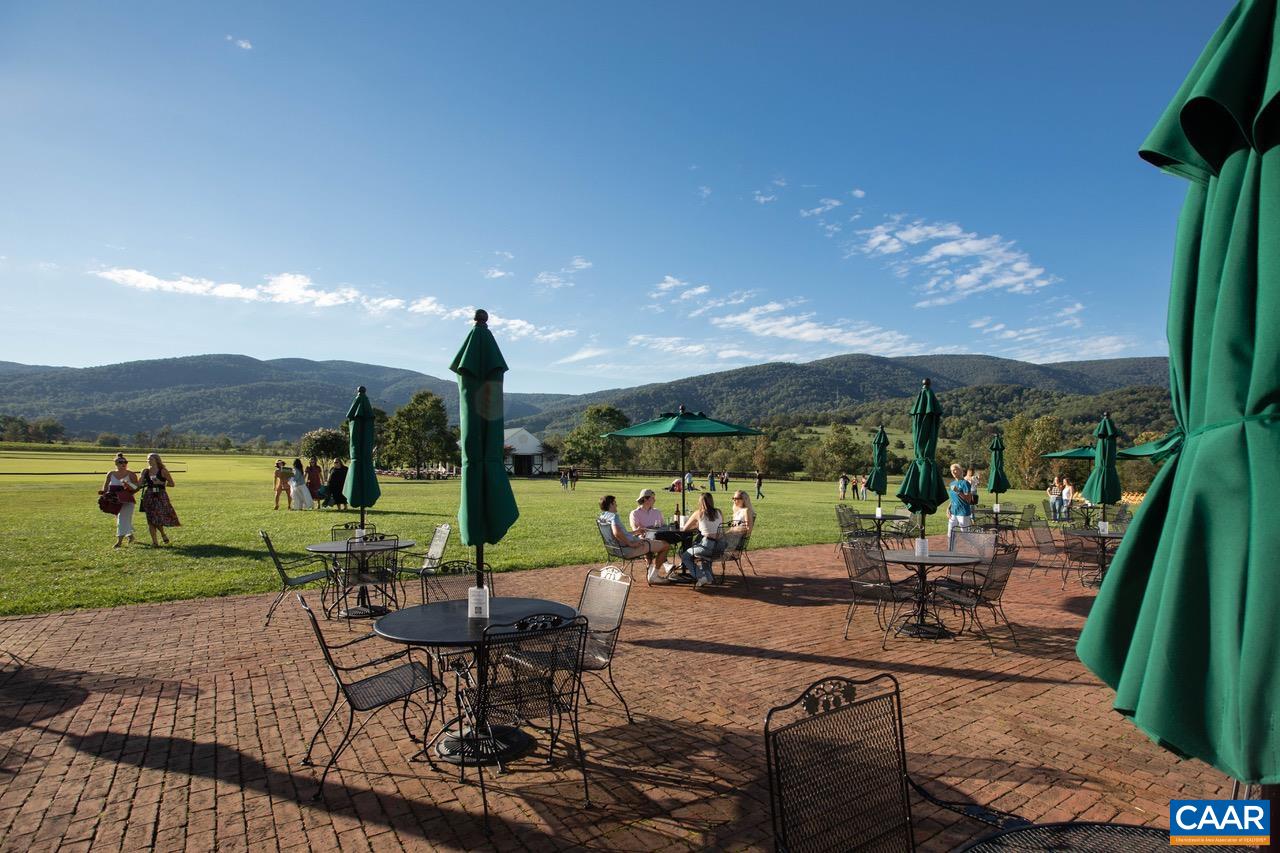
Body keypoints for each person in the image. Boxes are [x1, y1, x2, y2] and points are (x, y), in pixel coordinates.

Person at [598, 494, 661, 577]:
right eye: (615, 502)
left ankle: (651, 569)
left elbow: (620, 534)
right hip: (626, 550)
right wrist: (630, 544)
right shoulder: (614, 517)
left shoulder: (602, 516)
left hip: (614, 549)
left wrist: (636, 532)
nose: (616, 504)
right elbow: (617, 533)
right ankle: (654, 576)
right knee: (664, 545)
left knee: (647, 542)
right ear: (611, 504)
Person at [679, 492, 724, 588]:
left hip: (707, 545)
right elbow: (717, 527)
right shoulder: (719, 512)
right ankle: (709, 578)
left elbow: (685, 528)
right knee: (705, 557)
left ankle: (700, 576)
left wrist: (696, 525)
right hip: (720, 546)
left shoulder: (698, 513)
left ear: (700, 502)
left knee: (685, 556)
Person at [628, 488, 673, 582]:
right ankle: (660, 568)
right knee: (652, 542)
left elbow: (663, 526)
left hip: (658, 538)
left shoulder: (657, 512)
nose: (655, 500)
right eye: (653, 498)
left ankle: (656, 570)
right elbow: (636, 529)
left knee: (664, 539)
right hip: (643, 539)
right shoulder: (635, 513)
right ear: (645, 499)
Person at [139, 452, 179, 545]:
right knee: (150, 519)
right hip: (149, 496)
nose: (148, 461)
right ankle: (155, 542)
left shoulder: (163, 471)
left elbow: (172, 484)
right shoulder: (145, 471)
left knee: (157, 518)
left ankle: (163, 534)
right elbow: (139, 484)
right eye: (148, 459)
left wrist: (160, 482)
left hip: (160, 495)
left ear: (157, 460)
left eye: (151, 459)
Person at [101, 453, 138, 548]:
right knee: (121, 519)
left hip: (127, 500)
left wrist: (128, 484)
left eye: (125, 462)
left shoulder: (131, 474)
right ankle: (130, 536)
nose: (123, 464)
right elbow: (105, 486)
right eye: (120, 462)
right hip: (114, 500)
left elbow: (136, 487)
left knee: (122, 519)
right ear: (116, 464)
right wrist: (104, 494)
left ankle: (119, 541)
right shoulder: (111, 473)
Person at [946, 462, 975, 550]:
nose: (953, 472)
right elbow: (953, 499)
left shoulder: (965, 483)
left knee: (966, 535)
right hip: (953, 512)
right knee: (950, 535)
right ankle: (951, 553)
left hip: (963, 512)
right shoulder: (952, 484)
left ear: (960, 470)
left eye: (955, 470)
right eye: (951, 470)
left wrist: (958, 491)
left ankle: (979, 547)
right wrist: (948, 508)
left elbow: (968, 500)